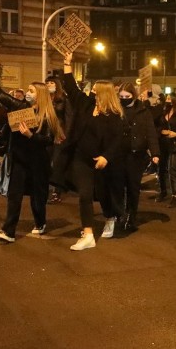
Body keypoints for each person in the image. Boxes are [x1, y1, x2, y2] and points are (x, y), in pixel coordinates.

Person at [0, 57, 63, 243]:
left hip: (38, 163)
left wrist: (31, 135)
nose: (27, 93)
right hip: (19, 160)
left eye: (31, 91)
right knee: (14, 196)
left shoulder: (48, 115)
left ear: (40, 95)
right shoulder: (21, 107)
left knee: (37, 198)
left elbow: (48, 140)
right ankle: (8, 231)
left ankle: (40, 223)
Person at [61, 51, 126, 250]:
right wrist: (67, 64)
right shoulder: (86, 104)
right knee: (85, 194)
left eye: (95, 90)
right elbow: (71, 89)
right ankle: (88, 233)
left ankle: (110, 217)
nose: (92, 91)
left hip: (102, 161)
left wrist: (106, 156)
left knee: (104, 194)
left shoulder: (114, 115)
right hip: (81, 159)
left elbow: (117, 141)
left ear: (104, 93)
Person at [117, 82, 160, 233]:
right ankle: (119, 214)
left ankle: (131, 216)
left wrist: (155, 153)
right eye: (121, 96)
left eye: (127, 97)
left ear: (133, 96)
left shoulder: (143, 111)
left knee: (133, 187)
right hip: (119, 154)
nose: (124, 99)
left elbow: (151, 133)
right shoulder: (116, 110)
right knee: (118, 186)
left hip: (136, 155)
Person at [155, 91, 176, 208]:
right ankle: (163, 191)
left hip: (175, 145)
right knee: (160, 170)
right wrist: (161, 131)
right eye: (167, 98)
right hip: (163, 144)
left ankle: (175, 195)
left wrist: (175, 134)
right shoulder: (163, 111)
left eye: (170, 98)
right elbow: (158, 125)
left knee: (172, 170)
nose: (167, 100)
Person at [45, 75, 70, 203]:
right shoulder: (44, 98)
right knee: (45, 161)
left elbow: (67, 117)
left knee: (57, 164)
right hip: (46, 134)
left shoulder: (63, 99)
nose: (49, 84)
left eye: (51, 82)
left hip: (59, 134)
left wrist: (66, 134)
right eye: (47, 82)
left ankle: (57, 192)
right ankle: (46, 188)